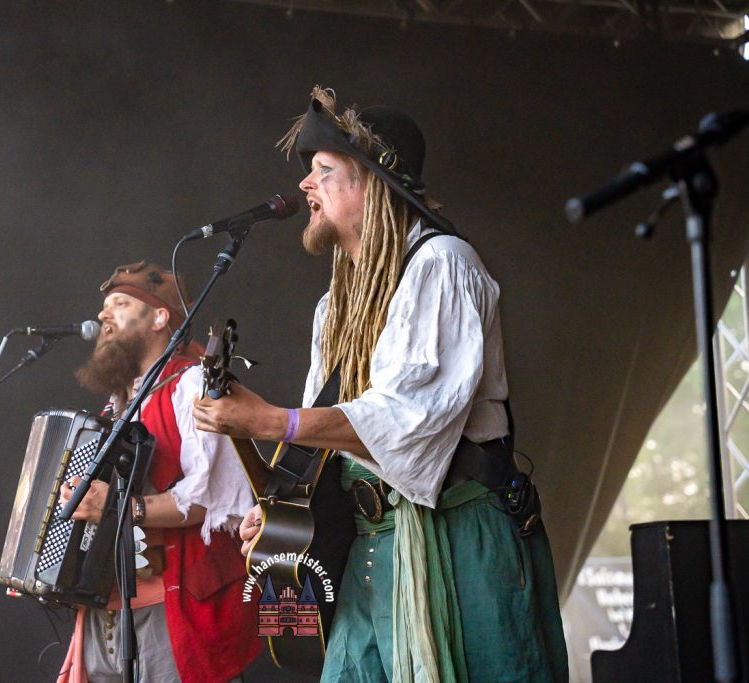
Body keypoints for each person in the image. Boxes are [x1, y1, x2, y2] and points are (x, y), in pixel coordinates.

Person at [193, 87, 568, 682]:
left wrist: (271, 421)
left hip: (455, 540)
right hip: (370, 545)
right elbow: (328, 445)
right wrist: (282, 513)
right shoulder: (336, 305)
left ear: (375, 182)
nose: (305, 185)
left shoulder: (443, 264)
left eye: (324, 170)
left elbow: (406, 421)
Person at [57, 261, 261, 683]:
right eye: (105, 305)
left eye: (120, 303)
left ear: (159, 317)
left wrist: (118, 507)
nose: (103, 314)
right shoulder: (115, 407)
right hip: (101, 615)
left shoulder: (193, 385)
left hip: (172, 614)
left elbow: (208, 499)